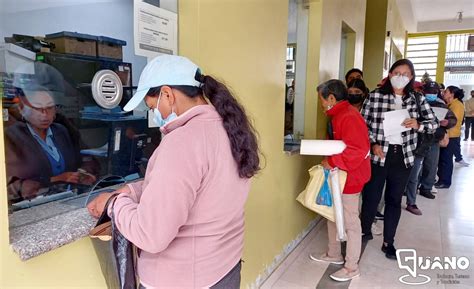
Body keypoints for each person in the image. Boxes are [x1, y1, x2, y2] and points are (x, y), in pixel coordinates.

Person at [87, 55, 260, 288]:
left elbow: (151, 234)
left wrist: (113, 204)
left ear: (167, 94)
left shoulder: (182, 141)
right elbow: (197, 186)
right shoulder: (228, 128)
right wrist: (131, 190)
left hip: (184, 279)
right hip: (225, 269)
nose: (153, 115)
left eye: (151, 107)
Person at [360, 59, 438, 259]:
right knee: (371, 197)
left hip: (403, 157)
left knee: (394, 200)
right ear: (390, 74)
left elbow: (434, 124)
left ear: (411, 77)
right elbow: (362, 125)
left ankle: (389, 242)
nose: (400, 77)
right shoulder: (375, 96)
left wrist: (418, 125)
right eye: (396, 72)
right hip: (379, 155)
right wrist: (372, 144)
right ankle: (364, 230)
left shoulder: (417, 99)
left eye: (405, 74)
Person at [309, 79, 370, 282]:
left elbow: (358, 150)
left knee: (350, 220)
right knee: (332, 214)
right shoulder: (338, 115)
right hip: (340, 175)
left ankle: (352, 266)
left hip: (351, 177)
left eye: (322, 99)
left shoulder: (348, 117)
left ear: (332, 98)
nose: (321, 104)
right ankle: (334, 253)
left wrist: (333, 161)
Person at [5, 88, 96, 202]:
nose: (45, 114)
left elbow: (86, 156)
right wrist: (55, 179)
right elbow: (10, 186)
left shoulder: (62, 130)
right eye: (37, 108)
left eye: (49, 107)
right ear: (22, 109)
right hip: (32, 207)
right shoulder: (10, 137)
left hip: (69, 199)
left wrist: (84, 172)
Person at [418, 81, 457, 199]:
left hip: (434, 139)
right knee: (415, 166)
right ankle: (411, 187)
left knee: (431, 165)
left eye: (434, 92)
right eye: (429, 92)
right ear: (424, 92)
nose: (431, 94)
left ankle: (426, 187)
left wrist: (447, 122)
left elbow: (452, 119)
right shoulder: (417, 102)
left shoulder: (441, 104)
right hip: (419, 138)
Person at [437, 86, 468, 188]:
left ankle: (445, 182)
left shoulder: (457, 105)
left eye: (446, 92)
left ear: (452, 94)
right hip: (447, 135)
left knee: (446, 159)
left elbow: (452, 121)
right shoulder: (450, 104)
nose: (443, 93)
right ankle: (441, 179)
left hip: (452, 136)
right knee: (442, 159)